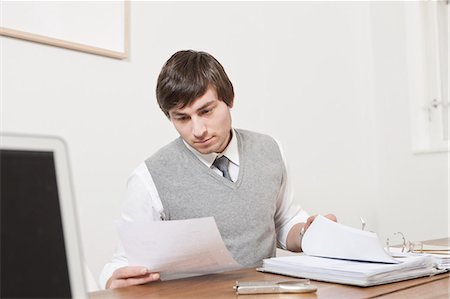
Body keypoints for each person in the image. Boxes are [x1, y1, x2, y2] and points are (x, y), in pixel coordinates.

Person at [99, 50, 336, 289]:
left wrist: (309, 234)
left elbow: (282, 221)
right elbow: (123, 261)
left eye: (206, 111)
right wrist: (112, 279)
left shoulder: (270, 150)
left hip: (264, 295)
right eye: (182, 118)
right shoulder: (148, 177)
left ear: (229, 99)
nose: (198, 130)